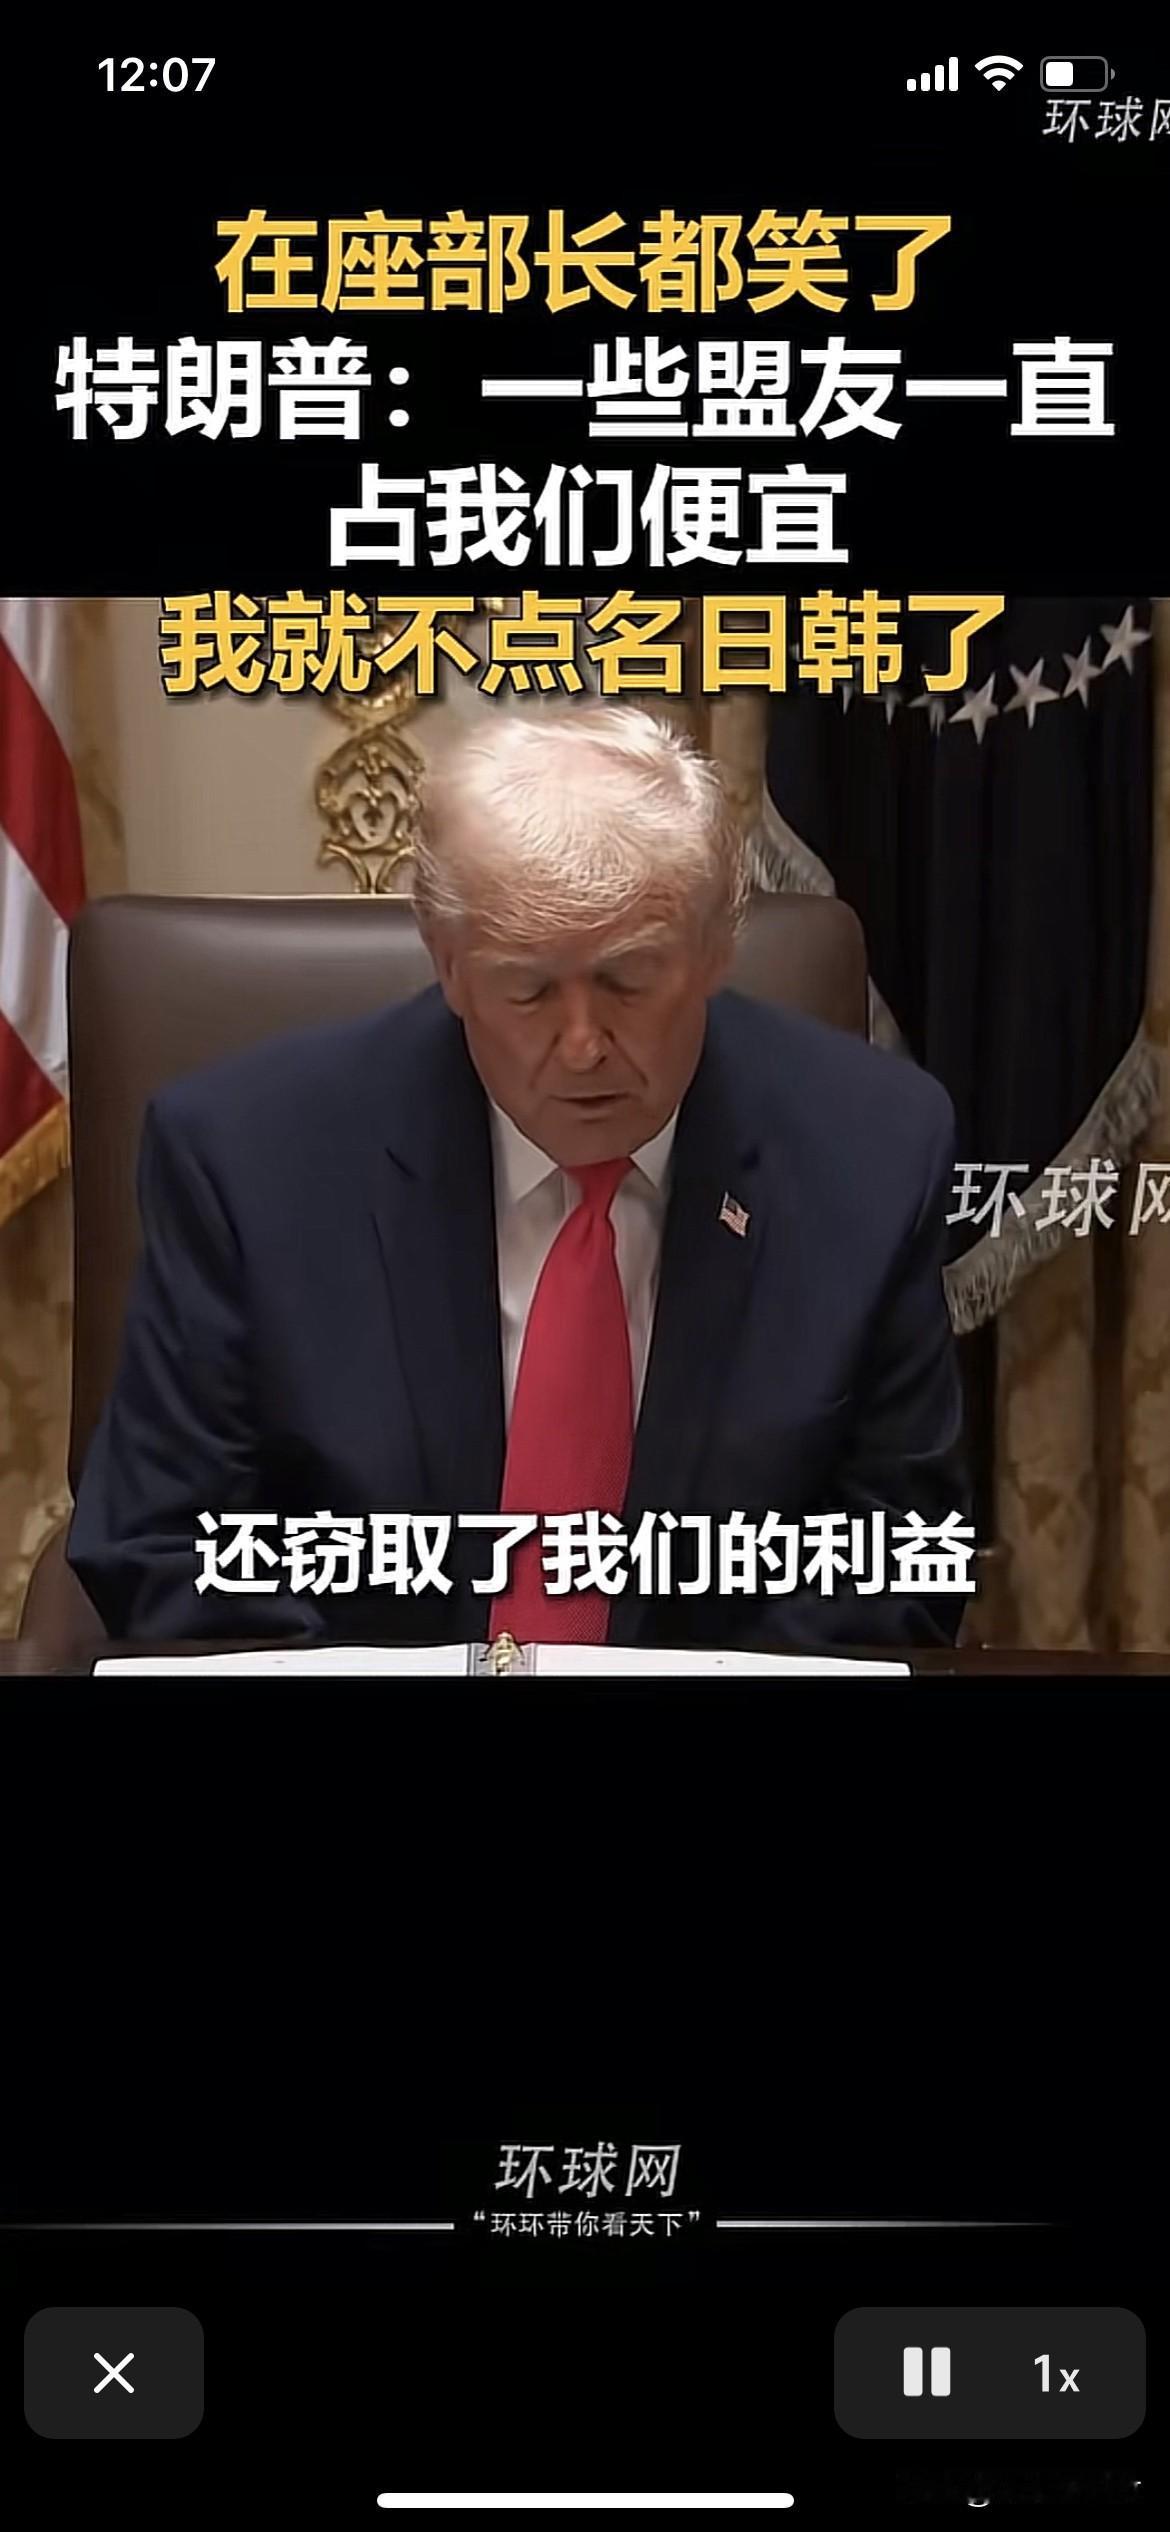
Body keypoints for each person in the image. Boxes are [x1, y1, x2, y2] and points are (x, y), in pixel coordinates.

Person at [67, 701, 971, 1653]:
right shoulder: (246, 1160)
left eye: (629, 981)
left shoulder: (870, 1151)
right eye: (528, 988)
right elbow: (165, 1548)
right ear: (448, 962)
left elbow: (898, 1558)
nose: (582, 1047)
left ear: (716, 947)